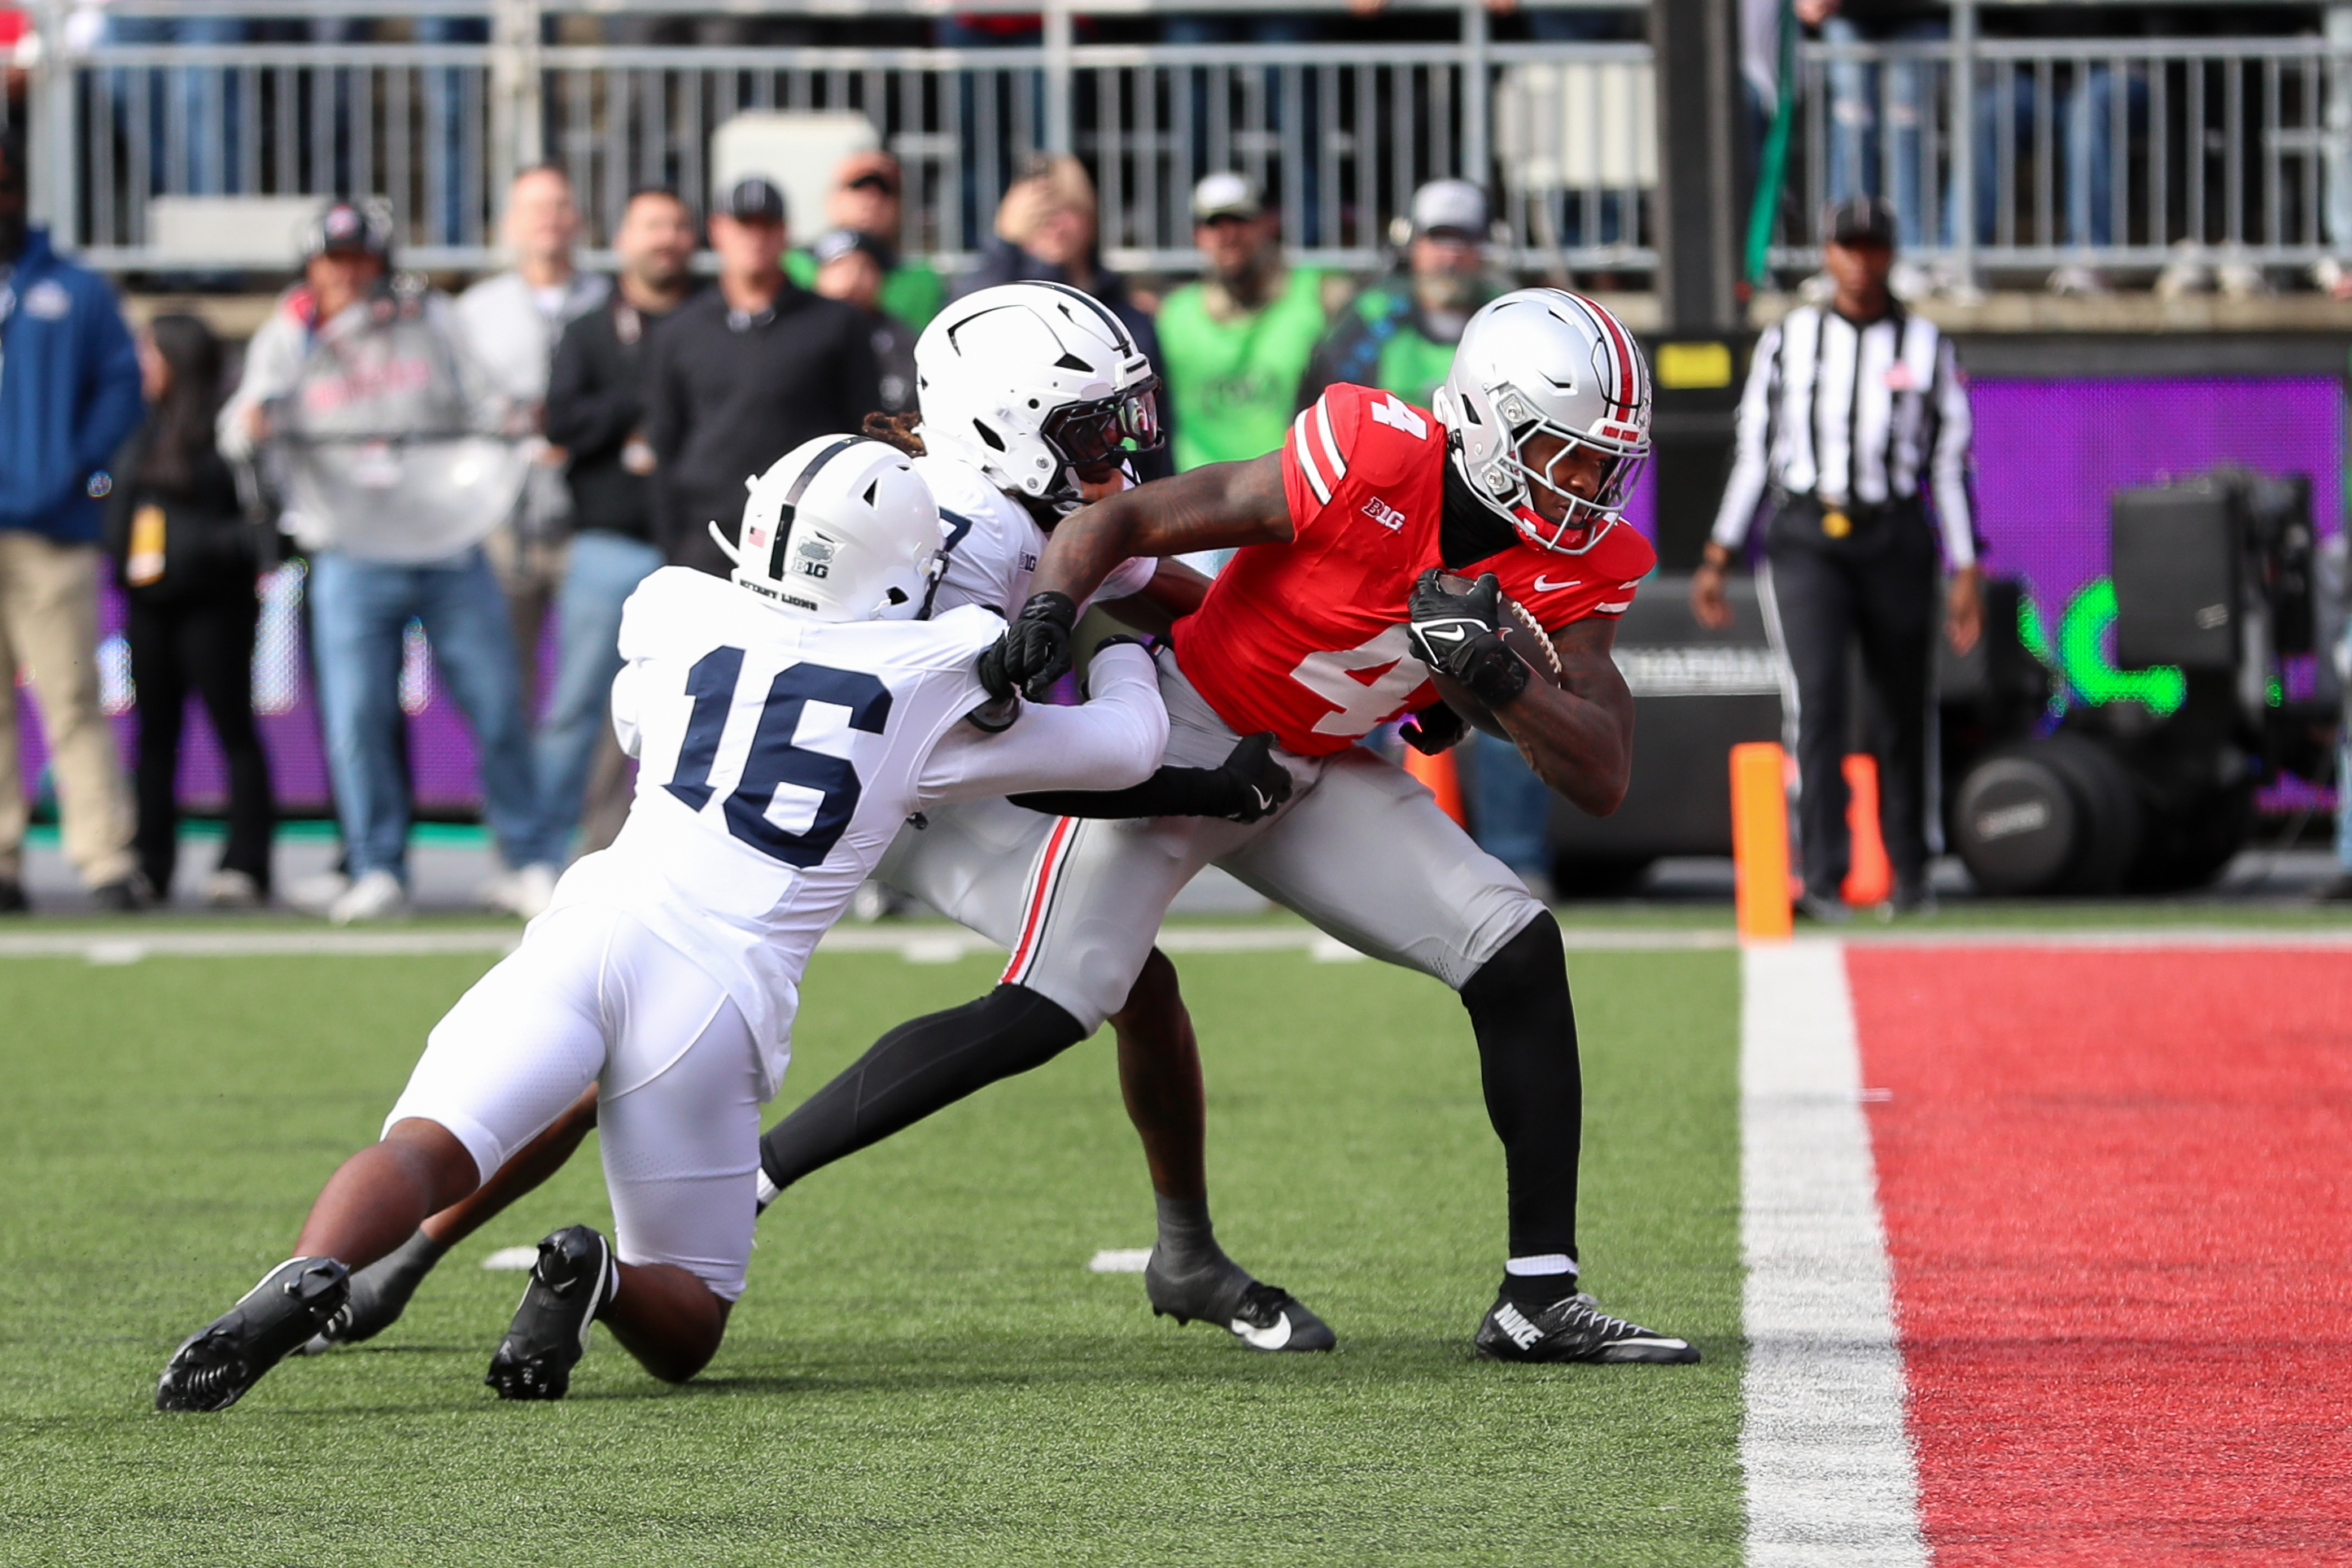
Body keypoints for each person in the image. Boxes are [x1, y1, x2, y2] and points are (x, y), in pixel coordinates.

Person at [297, 282, 1327, 1361]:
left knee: (1131, 980)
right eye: (1086, 425)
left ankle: (1185, 1250)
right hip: (877, 798)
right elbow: (1001, 763)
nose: (1113, 449)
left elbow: (1153, 575)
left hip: (915, 773)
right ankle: (447, 1243)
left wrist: (1341, 653)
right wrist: (1196, 782)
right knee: (634, 1050)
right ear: (1003, 421)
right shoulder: (947, 551)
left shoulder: (1023, 498)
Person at [766, 289, 1699, 1364]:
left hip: (1317, 769)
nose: (1586, 490)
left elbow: (1601, 771)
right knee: (1055, 1001)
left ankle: (1539, 1292)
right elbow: (1123, 520)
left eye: (1601, 465)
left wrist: (1497, 684)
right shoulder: (1369, 451)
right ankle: (753, 1178)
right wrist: (1054, 613)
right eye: (1565, 456)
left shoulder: (1579, 563)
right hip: (1186, 728)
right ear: (1487, 421)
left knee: (1515, 945)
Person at [154, 435, 1175, 1411]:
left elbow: (645, 719)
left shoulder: (674, 607)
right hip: (715, 992)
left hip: (592, 925)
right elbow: (1128, 747)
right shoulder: (931, 667)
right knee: (687, 1325)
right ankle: (594, 1278)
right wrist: (1117, 646)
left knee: (428, 1147)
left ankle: (303, 1272)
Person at [221, 199, 565, 924]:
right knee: (357, 716)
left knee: (498, 704)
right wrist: (253, 421)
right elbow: (239, 426)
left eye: (361, 259)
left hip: (445, 537)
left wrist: (509, 424)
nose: (349, 273)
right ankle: (377, 866)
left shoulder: (428, 320)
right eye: (335, 259)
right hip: (350, 545)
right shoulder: (293, 331)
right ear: (313, 265)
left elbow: (486, 400)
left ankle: (526, 858)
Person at [1693, 196, 1979, 920]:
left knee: (1900, 707)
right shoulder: (1790, 338)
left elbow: (1950, 461)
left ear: (1889, 253)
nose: (1860, 260)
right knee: (1817, 702)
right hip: (1808, 537)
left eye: (1872, 246)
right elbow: (1756, 449)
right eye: (1847, 246)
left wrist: (1968, 565)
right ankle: (1822, 874)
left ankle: (1911, 873)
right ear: (1827, 252)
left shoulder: (1925, 344)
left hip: (1895, 536)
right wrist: (1720, 549)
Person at [0, 128, 146, 914]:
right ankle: (3, 858)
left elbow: (122, 387)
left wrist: (74, 466)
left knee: (71, 698)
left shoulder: (77, 290)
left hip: (50, 528)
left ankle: (102, 857)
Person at [540, 186, 700, 860]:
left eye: (676, 225)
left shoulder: (713, 322)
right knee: (578, 704)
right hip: (608, 540)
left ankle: (666, 853)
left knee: (695, 711)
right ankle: (541, 853)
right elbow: (561, 423)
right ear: (625, 239)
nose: (665, 239)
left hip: (695, 549)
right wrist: (642, 398)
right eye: (651, 225)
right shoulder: (589, 328)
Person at [103, 315, 275, 906]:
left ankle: (245, 860)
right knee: (153, 736)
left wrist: (192, 549)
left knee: (233, 729)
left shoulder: (227, 434)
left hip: (214, 605)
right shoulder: (142, 426)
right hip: (151, 606)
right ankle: (152, 861)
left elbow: (260, 526)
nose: (142, 366)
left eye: (151, 354)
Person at [643, 177, 881, 578]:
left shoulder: (837, 323)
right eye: (743, 223)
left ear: (784, 233)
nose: (754, 237)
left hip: (808, 540)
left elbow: (865, 433)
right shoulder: (678, 331)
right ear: (717, 229)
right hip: (706, 539)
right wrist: (672, 542)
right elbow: (664, 441)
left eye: (766, 225)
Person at [457, 165, 610, 711]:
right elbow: (458, 405)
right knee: (499, 686)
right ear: (508, 224)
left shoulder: (609, 303)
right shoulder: (475, 311)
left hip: (589, 514)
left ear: (579, 220)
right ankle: (514, 799)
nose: (547, 218)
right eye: (533, 207)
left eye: (559, 205)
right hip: (503, 519)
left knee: (591, 691)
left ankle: (593, 802)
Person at [958, 156, 1173, 480]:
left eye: (1067, 209)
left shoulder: (1131, 317)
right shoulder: (1002, 299)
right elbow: (958, 333)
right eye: (1039, 213)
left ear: (1090, 217)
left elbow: (1154, 432)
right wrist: (1002, 245)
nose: (1054, 223)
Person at [1155, 173, 1349, 474]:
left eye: (1240, 220)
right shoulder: (1173, 315)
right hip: (1197, 499)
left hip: (1292, 491)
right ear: (1198, 235)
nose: (1228, 235)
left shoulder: (1320, 297)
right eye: (1213, 224)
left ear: (1269, 223)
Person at [1297, 178, 1499, 412]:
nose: (1449, 258)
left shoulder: (1506, 322)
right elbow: (1327, 403)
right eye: (1437, 238)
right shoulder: (1372, 318)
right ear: (1411, 243)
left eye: (1463, 240)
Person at [783, 151, 945, 330]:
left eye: (885, 191)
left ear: (900, 206)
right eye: (858, 187)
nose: (871, 201)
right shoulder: (791, 263)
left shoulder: (918, 278)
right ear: (833, 199)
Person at [806, 228, 917, 417]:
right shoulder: (793, 334)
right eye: (839, 265)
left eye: (865, 267)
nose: (853, 277)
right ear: (819, 275)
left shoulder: (904, 342)